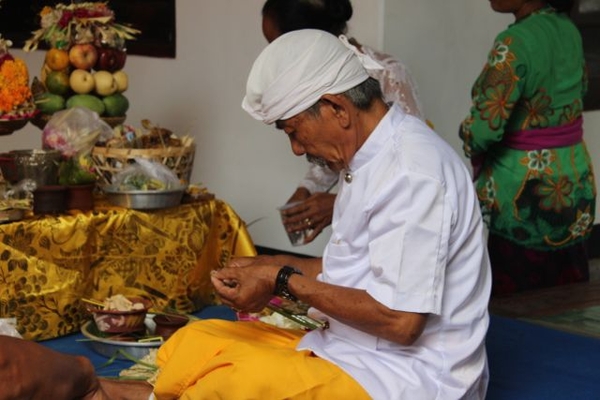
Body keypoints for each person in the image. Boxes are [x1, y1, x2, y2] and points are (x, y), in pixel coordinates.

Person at [5, 30, 490, 400]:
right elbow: (357, 272)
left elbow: (401, 320)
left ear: (337, 108)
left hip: (407, 378)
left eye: (293, 131)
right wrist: (267, 267)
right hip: (351, 347)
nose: (297, 148)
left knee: (235, 381)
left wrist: (281, 280)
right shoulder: (369, 157)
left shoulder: (412, 172)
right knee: (198, 341)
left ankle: (107, 392)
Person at [459, 0, 596, 296]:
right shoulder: (569, 29)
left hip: (525, 192)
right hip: (574, 181)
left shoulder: (514, 42)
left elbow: (484, 128)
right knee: (566, 298)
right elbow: (581, 88)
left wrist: (468, 136)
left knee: (516, 303)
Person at [262, 0, 426, 244]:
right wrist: (308, 189)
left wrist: (340, 203)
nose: (274, 58)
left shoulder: (386, 73)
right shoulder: (314, 82)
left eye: (277, 46)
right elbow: (336, 145)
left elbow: (408, 169)